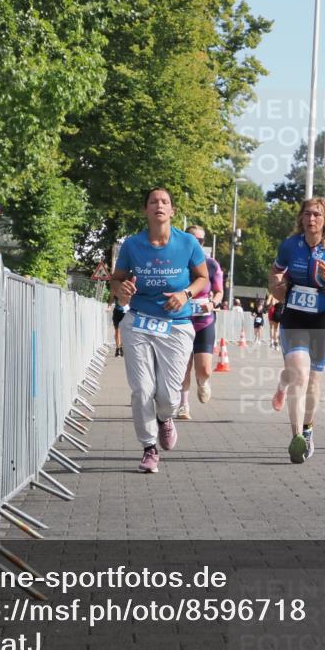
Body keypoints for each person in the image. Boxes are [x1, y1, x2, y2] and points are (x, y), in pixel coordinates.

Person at [110, 188, 209, 473]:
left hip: (176, 325)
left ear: (172, 210)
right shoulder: (132, 245)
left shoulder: (188, 242)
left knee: (168, 396)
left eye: (164, 202)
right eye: (153, 202)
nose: (159, 205)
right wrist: (122, 289)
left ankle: (165, 418)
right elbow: (116, 281)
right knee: (142, 389)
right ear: (145, 210)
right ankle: (149, 448)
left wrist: (186, 294)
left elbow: (202, 277)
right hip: (139, 322)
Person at [268, 196, 325, 463]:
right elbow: (273, 278)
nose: (311, 219)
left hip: (322, 320)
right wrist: (277, 288)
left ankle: (307, 431)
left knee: (312, 380)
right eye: (307, 214)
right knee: (299, 375)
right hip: (294, 317)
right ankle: (296, 439)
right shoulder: (289, 246)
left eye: (317, 214)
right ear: (301, 219)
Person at [177, 226, 224, 420]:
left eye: (201, 241)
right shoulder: (177, 263)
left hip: (204, 321)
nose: (197, 243)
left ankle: (203, 381)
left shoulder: (211, 265)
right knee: (182, 366)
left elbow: (220, 291)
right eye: (193, 239)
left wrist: (212, 303)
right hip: (182, 320)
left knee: (204, 368)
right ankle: (183, 405)